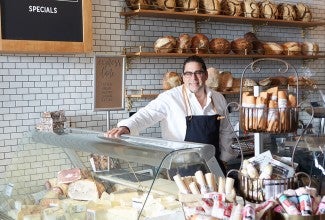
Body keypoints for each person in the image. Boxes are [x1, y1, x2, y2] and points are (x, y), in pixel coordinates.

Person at [106, 55, 238, 174]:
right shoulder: (170, 98)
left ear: (205, 75)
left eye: (198, 73)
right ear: (183, 77)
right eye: (188, 74)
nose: (194, 78)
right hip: (181, 169)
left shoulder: (218, 98)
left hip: (213, 167)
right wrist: (126, 127)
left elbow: (226, 131)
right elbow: (146, 114)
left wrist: (225, 158)